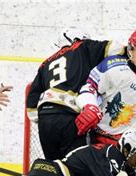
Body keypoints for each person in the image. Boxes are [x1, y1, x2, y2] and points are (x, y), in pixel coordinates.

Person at [75, 30, 136, 176]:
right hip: (104, 140)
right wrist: (89, 106)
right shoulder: (112, 66)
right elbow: (89, 87)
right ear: (130, 50)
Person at [26, 27, 125, 160]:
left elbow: (31, 109)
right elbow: (117, 47)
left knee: (54, 168)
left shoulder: (45, 63)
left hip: (45, 120)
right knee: (77, 167)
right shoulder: (82, 46)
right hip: (72, 118)